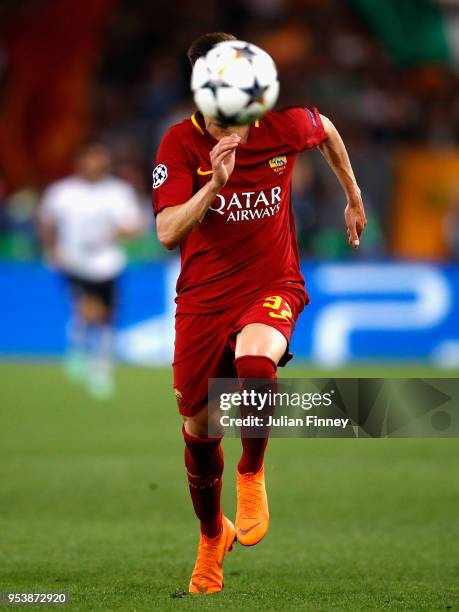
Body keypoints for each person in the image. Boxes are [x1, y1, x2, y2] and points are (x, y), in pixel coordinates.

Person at [152, 32, 367, 594]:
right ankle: (210, 537)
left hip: (273, 282)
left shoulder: (281, 126)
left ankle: (251, 471)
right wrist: (212, 188)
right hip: (203, 300)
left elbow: (327, 129)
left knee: (254, 366)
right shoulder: (179, 144)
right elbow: (168, 231)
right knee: (199, 429)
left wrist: (353, 193)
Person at [39, 143, 142, 398]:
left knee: (107, 316)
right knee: (88, 309)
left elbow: (135, 226)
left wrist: (119, 232)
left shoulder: (118, 192)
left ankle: (101, 363)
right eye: (91, 159)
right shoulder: (62, 192)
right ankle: (80, 352)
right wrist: (51, 249)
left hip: (108, 263)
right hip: (75, 263)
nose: (95, 164)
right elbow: (46, 220)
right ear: (80, 161)